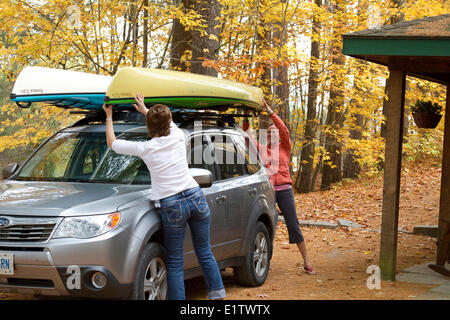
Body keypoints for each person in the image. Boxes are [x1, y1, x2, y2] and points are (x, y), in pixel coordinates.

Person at [102, 94, 226, 300]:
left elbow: (112, 143)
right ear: (169, 122)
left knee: (175, 262)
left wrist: (108, 116)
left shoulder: (146, 148)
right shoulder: (178, 136)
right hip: (196, 197)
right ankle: (218, 295)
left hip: (173, 204)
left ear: (149, 125)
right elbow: (164, 121)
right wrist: (145, 109)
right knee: (204, 251)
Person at [242, 99, 316, 275]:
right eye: (269, 133)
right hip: (268, 193)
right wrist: (246, 117)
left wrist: (270, 112)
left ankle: (306, 261)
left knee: (293, 225)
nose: (272, 134)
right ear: (267, 137)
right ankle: (262, 260)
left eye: (274, 133)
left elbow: (283, 129)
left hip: (284, 191)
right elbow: (247, 137)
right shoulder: (261, 150)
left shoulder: (285, 147)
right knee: (266, 225)